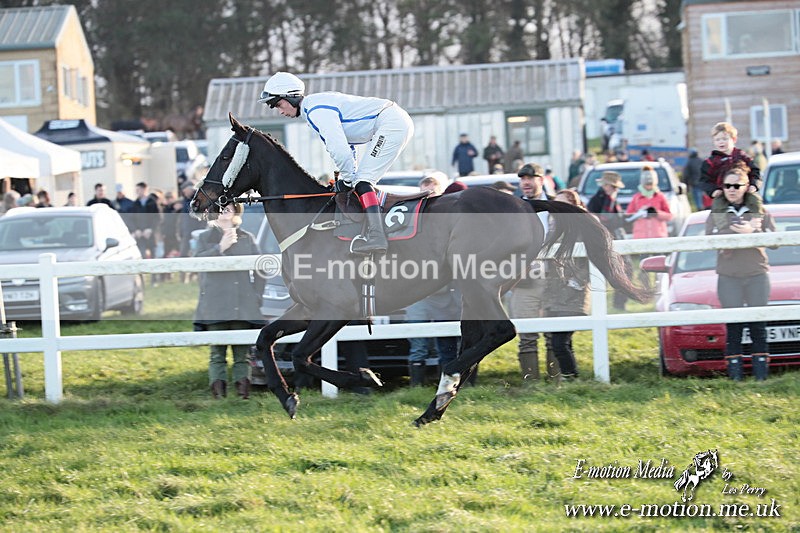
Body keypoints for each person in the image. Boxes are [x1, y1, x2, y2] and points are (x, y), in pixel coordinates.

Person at [258, 71, 414, 255]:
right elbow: (348, 147)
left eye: (279, 104)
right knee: (359, 182)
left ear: (291, 97)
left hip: (391, 123)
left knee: (363, 183)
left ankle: (377, 236)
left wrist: (348, 178)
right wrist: (348, 176)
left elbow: (339, 149)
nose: (280, 111)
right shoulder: (313, 110)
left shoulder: (317, 111)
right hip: (391, 121)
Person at [706, 166, 773, 381]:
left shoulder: (760, 211)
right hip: (728, 275)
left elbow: (775, 242)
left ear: (746, 187)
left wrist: (754, 231)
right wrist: (731, 232)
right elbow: (708, 240)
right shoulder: (716, 213)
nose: (732, 190)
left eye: (737, 185)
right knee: (733, 326)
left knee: (758, 325)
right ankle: (735, 377)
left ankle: (761, 377)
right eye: (727, 185)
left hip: (756, 273)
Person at [194, 202, 265, 398]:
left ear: (235, 211)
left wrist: (257, 295)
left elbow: (261, 268)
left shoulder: (247, 238)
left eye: (228, 207)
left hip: (243, 304)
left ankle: (243, 395)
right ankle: (219, 397)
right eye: (219, 207)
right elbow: (197, 263)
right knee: (217, 353)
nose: (224, 210)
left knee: (243, 354)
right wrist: (220, 248)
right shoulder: (204, 237)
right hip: (214, 305)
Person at [405, 171, 461, 386]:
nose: (427, 192)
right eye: (424, 188)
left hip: (446, 291)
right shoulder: (409, 217)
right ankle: (415, 386)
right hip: (415, 289)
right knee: (417, 341)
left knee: (448, 341)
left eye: (432, 188)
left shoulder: (450, 219)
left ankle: (448, 384)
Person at [509, 163, 556, 380]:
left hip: (554, 277)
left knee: (554, 333)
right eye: (522, 178)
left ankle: (557, 379)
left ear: (541, 179)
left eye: (531, 178)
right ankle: (531, 381)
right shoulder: (512, 207)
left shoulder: (555, 205)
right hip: (524, 278)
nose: (526, 182)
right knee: (527, 332)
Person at [544, 189, 591, 381]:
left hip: (573, 294)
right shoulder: (555, 229)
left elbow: (590, 261)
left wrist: (576, 283)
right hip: (555, 293)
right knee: (563, 341)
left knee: (559, 342)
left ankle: (570, 376)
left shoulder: (583, 228)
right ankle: (571, 377)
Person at [587, 171, 630, 310]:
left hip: (614, 238)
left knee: (624, 269)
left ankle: (619, 303)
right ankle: (616, 303)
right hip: (606, 240)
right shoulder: (602, 199)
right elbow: (605, 219)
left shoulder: (608, 198)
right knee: (619, 271)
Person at [699, 122, 762, 213]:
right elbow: (704, 181)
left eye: (725, 139)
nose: (721, 142)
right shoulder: (710, 162)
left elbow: (755, 172)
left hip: (743, 192)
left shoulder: (742, 157)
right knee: (718, 208)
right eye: (717, 140)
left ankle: (757, 222)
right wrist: (713, 191)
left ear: (734, 139)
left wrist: (754, 185)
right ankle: (723, 226)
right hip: (723, 194)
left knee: (755, 201)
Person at [625, 166, 672, 240]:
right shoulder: (636, 198)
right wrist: (639, 213)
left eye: (651, 184)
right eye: (647, 184)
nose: (649, 187)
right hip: (640, 237)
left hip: (658, 236)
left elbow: (669, 216)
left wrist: (656, 213)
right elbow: (628, 216)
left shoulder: (660, 196)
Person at [129, 182, 160, 261]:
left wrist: (150, 229)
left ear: (144, 190)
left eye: (138, 190)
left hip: (151, 235)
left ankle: (155, 273)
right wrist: (135, 230)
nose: (136, 192)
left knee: (154, 257)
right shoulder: (135, 204)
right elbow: (132, 219)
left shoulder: (153, 202)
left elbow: (157, 218)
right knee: (142, 256)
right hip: (140, 235)